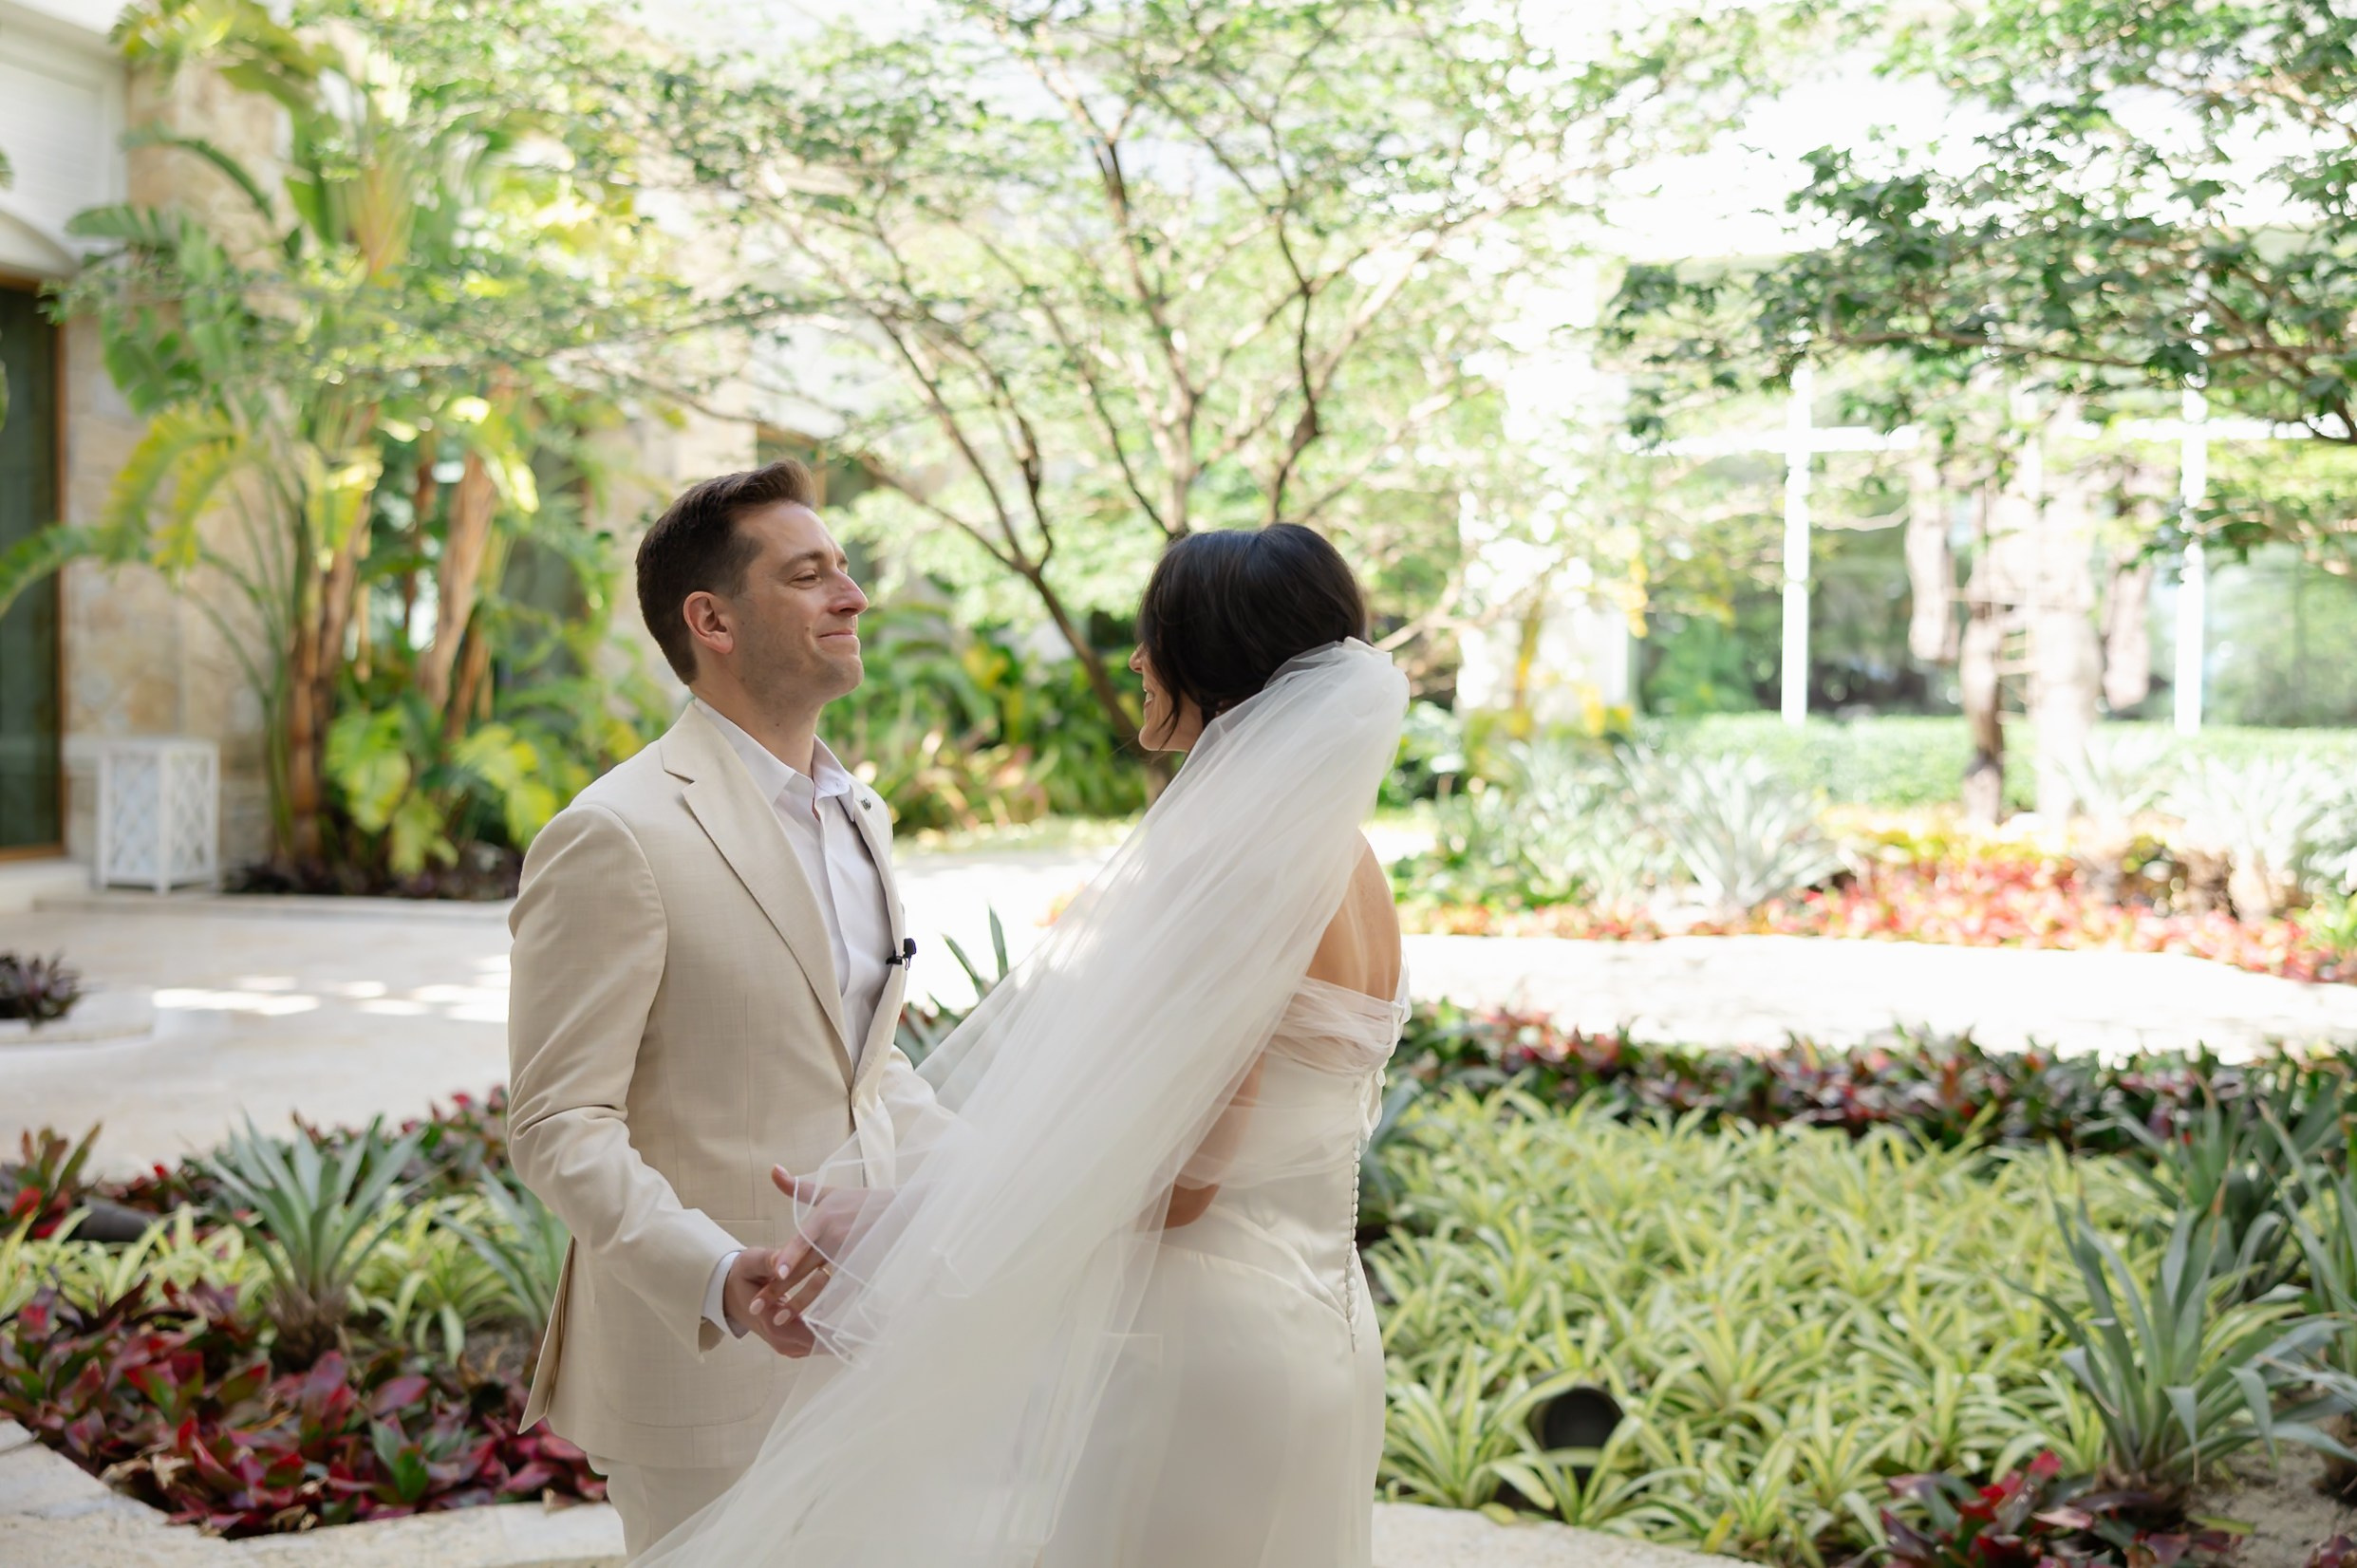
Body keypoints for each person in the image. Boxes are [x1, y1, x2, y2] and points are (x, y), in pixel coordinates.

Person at [643, 521, 1412, 1567]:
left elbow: (1185, 1182)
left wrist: (911, 1219)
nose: (1136, 661)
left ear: (1212, 657)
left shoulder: (1240, 868)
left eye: (1154, 637)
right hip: (1323, 1327)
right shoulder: (1351, 861)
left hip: (1205, 1353)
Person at [504, 458, 943, 1560]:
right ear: (712, 620)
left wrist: (1005, 1184)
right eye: (808, 575)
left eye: (843, 568)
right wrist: (716, 1275)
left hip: (875, 1343)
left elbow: (864, 1067)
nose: (851, 595)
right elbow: (557, 1120)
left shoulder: (859, 812)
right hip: (704, 1373)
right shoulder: (613, 832)